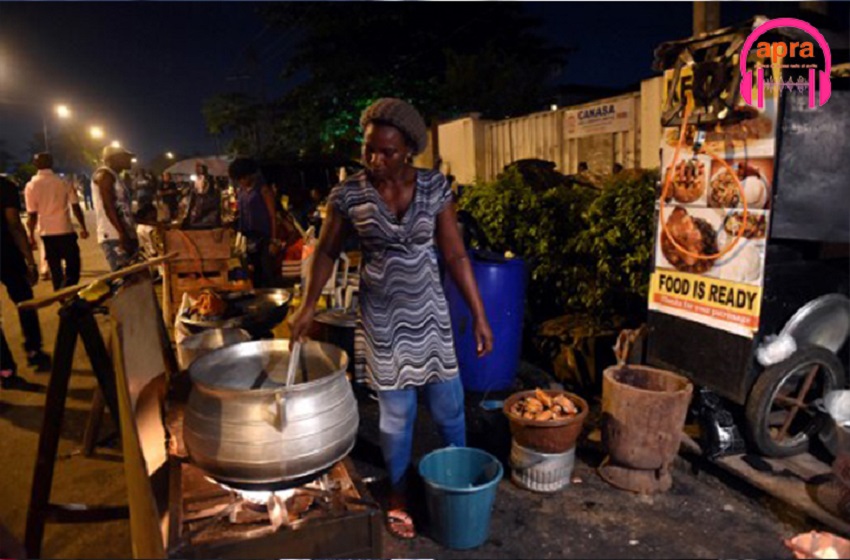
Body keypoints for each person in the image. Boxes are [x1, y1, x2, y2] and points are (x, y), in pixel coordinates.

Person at [289, 98, 494, 540]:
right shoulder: (348, 195)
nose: (375, 160)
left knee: (448, 406)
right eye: (369, 150)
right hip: (382, 317)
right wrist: (307, 306)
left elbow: (456, 252)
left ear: (409, 151)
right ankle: (399, 490)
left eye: (387, 152)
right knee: (396, 414)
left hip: (431, 315)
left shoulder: (436, 187)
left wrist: (480, 315)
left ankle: (456, 475)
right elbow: (326, 251)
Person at [1, 176, 50, 387]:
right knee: (24, 302)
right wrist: (30, 262)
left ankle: (6, 371)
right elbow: (13, 222)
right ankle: (33, 350)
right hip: (6, 254)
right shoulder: (5, 185)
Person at [24, 152, 89, 290]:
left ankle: (60, 294)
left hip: (47, 233)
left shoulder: (31, 186)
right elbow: (76, 206)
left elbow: (32, 214)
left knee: (55, 268)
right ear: (52, 163)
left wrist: (30, 235)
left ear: (35, 165)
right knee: (73, 265)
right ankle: (69, 290)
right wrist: (83, 227)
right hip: (65, 229)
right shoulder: (63, 182)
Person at [230, 158, 278, 287]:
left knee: (267, 272)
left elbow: (272, 215)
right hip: (248, 237)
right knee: (253, 272)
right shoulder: (241, 191)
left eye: (243, 178)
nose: (241, 181)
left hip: (263, 236)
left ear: (250, 174)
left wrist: (273, 240)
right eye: (239, 179)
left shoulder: (263, 189)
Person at [92, 145, 139, 271]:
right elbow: (108, 206)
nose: (129, 161)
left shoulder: (116, 176)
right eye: (126, 157)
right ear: (114, 158)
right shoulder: (105, 175)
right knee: (125, 278)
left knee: (135, 278)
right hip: (113, 235)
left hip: (123, 234)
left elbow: (122, 207)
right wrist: (121, 233)